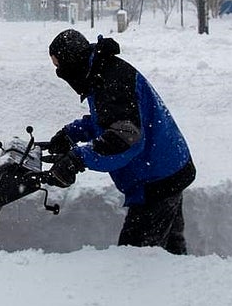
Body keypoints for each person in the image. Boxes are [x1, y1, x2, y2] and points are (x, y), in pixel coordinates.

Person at [45, 29, 195, 254]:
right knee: (169, 255)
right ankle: (182, 282)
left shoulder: (111, 80)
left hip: (156, 178)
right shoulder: (101, 72)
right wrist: (71, 133)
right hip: (165, 169)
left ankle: (145, 288)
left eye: (60, 67)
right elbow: (107, 121)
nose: (59, 73)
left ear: (72, 62)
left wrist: (78, 158)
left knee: (135, 259)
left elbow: (125, 139)